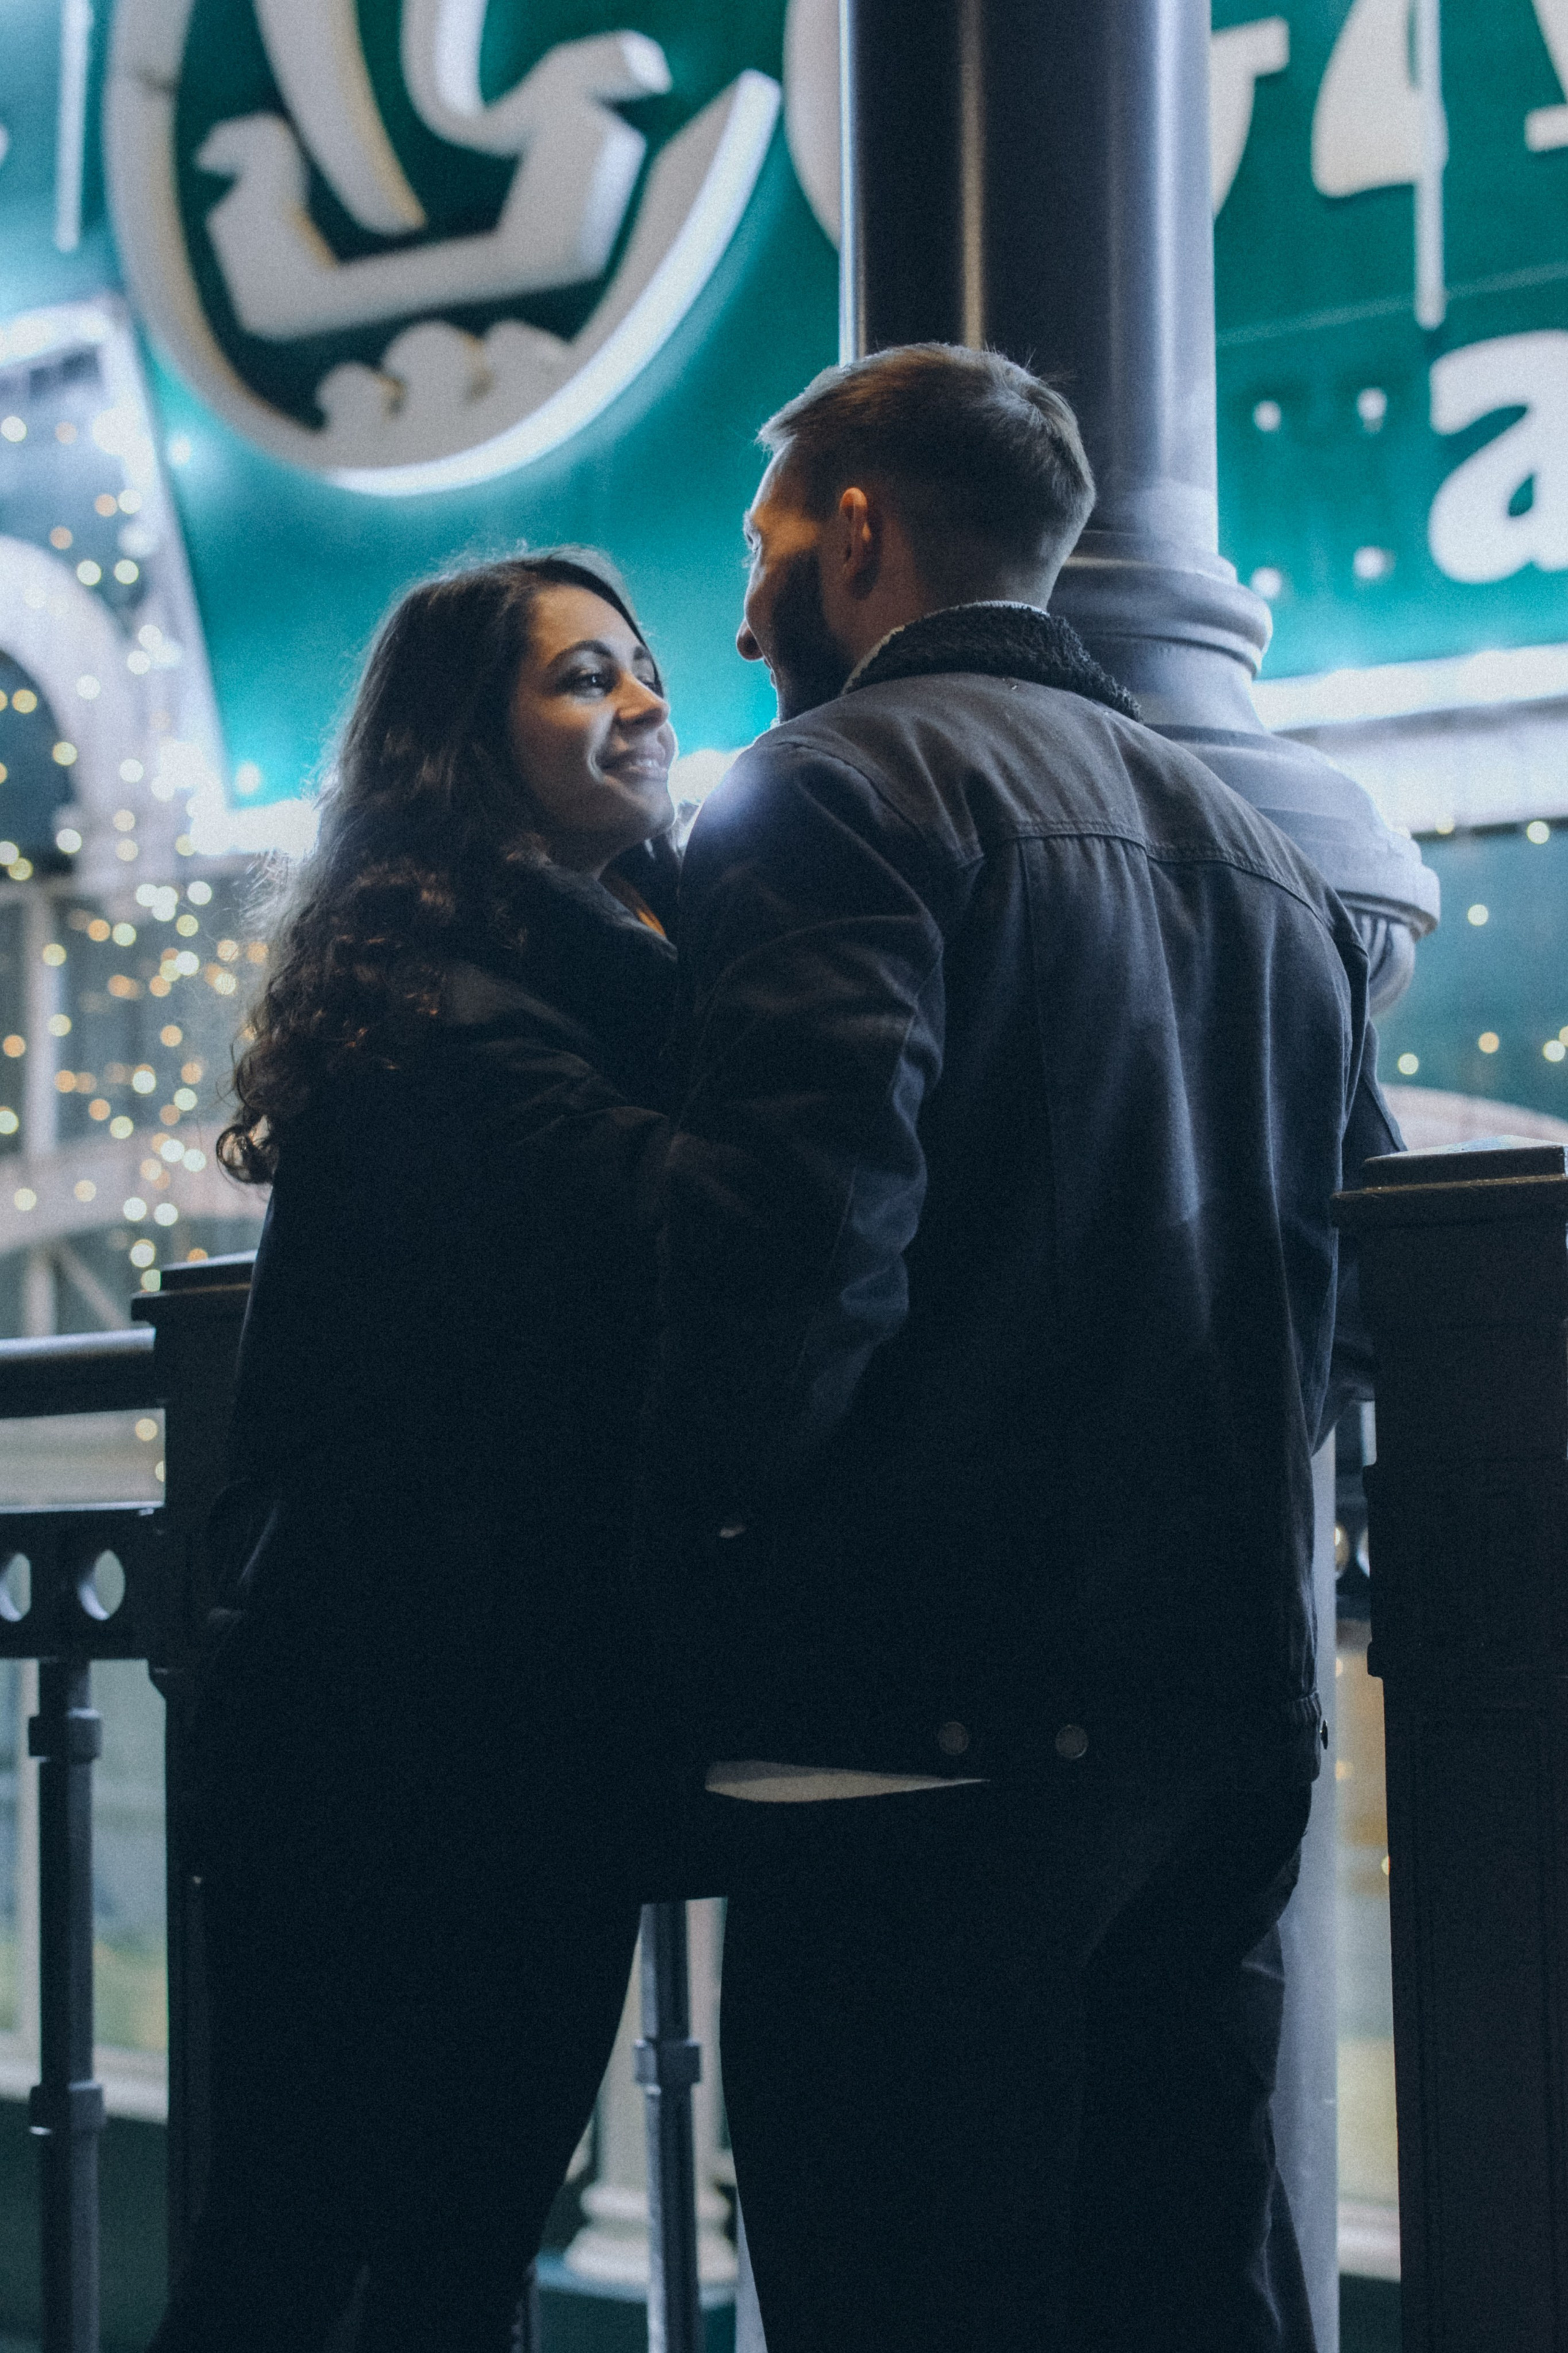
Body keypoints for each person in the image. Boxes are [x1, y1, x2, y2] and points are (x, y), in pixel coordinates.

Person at [643, 346, 1394, 2351]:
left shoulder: (824, 792)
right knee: (1176, 2294)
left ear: (861, 531)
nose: (736, 612)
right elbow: (1352, 1287)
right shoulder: (1265, 857)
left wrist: (676, 1549)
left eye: (764, 540)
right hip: (1221, 1735)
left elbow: (801, 1257)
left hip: (913, 1732)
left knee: (907, 2293)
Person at [150, 552, 688, 2353]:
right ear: (467, 745)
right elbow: (700, 1230)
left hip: (453, 1728)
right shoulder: (473, 1023)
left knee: (393, 2248)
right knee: (341, 2250)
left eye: (642, 667)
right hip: (412, 1746)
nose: (641, 699)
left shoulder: (561, 974)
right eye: (579, 679)